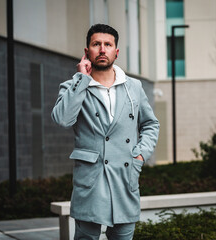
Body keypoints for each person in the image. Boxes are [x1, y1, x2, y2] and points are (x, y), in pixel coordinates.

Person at [51, 24, 159, 240]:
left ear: (116, 52)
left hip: (125, 176)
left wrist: (139, 156)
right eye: (96, 44)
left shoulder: (134, 87)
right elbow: (62, 119)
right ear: (87, 52)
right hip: (91, 180)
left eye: (108, 44)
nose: (102, 49)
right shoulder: (74, 85)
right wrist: (81, 80)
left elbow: (150, 124)